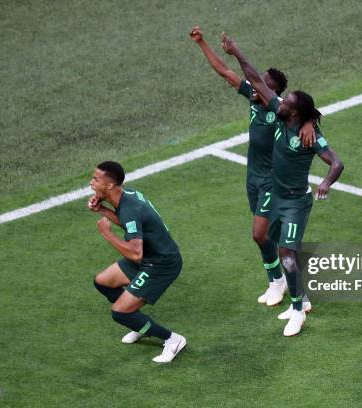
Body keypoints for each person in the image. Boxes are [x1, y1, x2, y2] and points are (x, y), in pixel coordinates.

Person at [222, 34, 344, 336]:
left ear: (296, 112)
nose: (278, 102)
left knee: (287, 254)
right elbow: (255, 80)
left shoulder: (309, 135)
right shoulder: (281, 114)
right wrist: (237, 52)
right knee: (268, 241)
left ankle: (297, 310)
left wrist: (326, 183)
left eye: (286, 102)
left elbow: (337, 163)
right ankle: (295, 297)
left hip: (295, 203)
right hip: (274, 195)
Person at [190, 26, 316, 308]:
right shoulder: (253, 98)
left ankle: (284, 284)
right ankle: (279, 281)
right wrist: (203, 44)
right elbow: (224, 71)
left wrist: (308, 122)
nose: (255, 86)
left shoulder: (282, 110)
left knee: (260, 233)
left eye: (261, 84)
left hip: (274, 181)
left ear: (275, 91)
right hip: (253, 177)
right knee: (265, 236)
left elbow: (309, 115)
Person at [88, 161, 186, 362]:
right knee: (102, 281)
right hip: (150, 257)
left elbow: (135, 254)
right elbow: (128, 222)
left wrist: (107, 234)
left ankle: (172, 339)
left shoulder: (130, 208)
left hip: (160, 264)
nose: (91, 183)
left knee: (120, 313)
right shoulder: (126, 197)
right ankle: (138, 322)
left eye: (96, 179)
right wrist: (103, 210)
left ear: (109, 186)